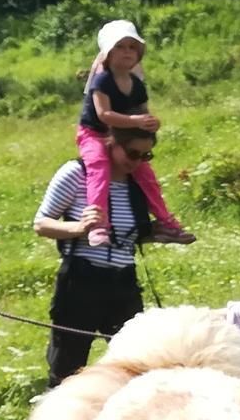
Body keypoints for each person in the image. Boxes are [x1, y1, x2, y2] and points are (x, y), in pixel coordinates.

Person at [34, 128, 166, 386]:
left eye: (146, 156)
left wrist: (159, 233)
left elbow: (125, 235)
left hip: (124, 282)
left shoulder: (137, 183)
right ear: (111, 143)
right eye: (132, 153)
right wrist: (79, 228)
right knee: (66, 369)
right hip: (81, 281)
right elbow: (41, 224)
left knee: (137, 365)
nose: (137, 161)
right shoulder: (77, 173)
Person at [78, 19, 193, 250]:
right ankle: (99, 224)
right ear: (108, 53)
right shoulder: (102, 80)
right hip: (94, 133)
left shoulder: (137, 84)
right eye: (120, 47)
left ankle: (165, 221)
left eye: (132, 47)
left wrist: (151, 123)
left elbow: (143, 112)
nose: (127, 52)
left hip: (124, 135)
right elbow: (104, 115)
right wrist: (135, 121)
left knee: (146, 174)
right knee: (99, 166)